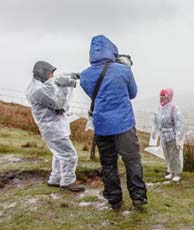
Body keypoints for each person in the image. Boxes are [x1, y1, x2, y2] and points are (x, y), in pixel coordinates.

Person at [80, 35, 147, 210]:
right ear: (112, 49)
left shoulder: (85, 75)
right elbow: (132, 93)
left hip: (102, 125)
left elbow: (94, 94)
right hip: (124, 124)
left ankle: (114, 199)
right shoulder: (123, 70)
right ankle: (138, 197)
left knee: (108, 163)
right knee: (132, 160)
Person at [25, 61, 84, 192]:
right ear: (43, 74)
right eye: (50, 73)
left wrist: (75, 75)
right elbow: (58, 104)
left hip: (53, 127)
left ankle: (55, 178)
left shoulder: (39, 85)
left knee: (59, 154)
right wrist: (65, 86)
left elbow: (54, 81)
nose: (52, 75)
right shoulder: (39, 90)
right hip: (52, 129)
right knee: (70, 154)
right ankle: (68, 181)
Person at [150, 88, 185, 182]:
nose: (161, 99)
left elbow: (179, 123)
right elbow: (156, 120)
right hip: (163, 136)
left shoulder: (174, 108)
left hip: (172, 136)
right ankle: (171, 172)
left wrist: (179, 137)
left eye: (163, 97)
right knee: (167, 155)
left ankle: (177, 173)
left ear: (169, 97)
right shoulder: (159, 108)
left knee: (174, 155)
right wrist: (154, 131)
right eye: (160, 97)